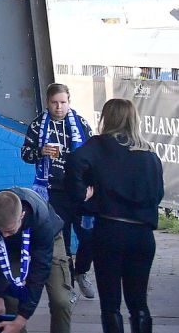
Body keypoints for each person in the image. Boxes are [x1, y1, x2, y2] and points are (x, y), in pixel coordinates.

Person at [65, 99, 164, 333]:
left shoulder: (99, 146)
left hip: (110, 230)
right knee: (139, 303)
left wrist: (83, 196)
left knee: (110, 305)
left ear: (106, 118)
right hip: (142, 235)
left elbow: (74, 162)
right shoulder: (149, 154)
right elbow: (157, 195)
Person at [21, 83, 95, 298]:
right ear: (48, 102)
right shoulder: (38, 125)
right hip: (53, 191)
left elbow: (93, 155)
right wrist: (40, 151)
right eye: (55, 102)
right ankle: (68, 286)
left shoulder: (80, 123)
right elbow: (25, 154)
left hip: (80, 191)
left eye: (63, 102)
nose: (59, 107)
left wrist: (93, 186)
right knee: (62, 241)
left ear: (69, 102)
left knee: (89, 236)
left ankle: (82, 272)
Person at [0, 188, 74, 333]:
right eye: (0, 230)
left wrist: (22, 318)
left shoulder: (39, 216)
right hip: (8, 249)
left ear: (22, 215)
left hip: (48, 240)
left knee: (61, 300)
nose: (5, 235)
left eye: (10, 231)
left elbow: (40, 269)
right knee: (11, 299)